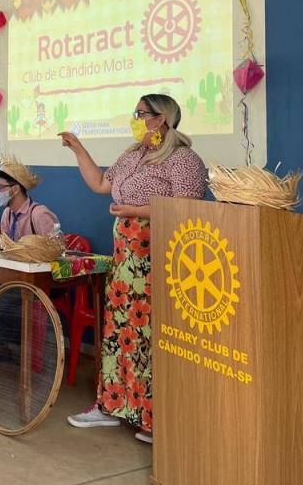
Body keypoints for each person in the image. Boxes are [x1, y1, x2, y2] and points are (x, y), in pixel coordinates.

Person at [61, 94, 207, 444]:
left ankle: (154, 418)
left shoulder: (183, 158)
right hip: (125, 262)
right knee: (120, 330)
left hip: (158, 257)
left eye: (141, 113)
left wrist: (135, 212)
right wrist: (78, 149)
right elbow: (101, 184)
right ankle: (112, 405)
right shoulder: (132, 155)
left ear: (161, 119)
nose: (136, 119)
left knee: (149, 333)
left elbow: (187, 208)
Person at [0, 158, 59, 240]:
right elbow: (5, 244)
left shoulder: (39, 215)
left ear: (15, 189)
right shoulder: (7, 213)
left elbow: (55, 246)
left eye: (0, 187)